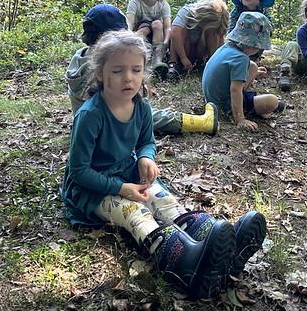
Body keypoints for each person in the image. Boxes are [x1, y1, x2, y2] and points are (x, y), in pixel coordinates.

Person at [61, 30, 267, 299]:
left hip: (127, 172)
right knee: (136, 213)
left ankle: (218, 247)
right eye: (118, 70)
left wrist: (146, 157)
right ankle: (183, 263)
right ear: (100, 73)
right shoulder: (90, 115)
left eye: (136, 70)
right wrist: (123, 188)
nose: (128, 78)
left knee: (165, 201)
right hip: (92, 189)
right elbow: (79, 172)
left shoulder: (142, 107)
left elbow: (146, 141)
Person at [66, 4, 218, 135]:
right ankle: (201, 123)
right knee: (149, 115)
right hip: (107, 123)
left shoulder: (79, 56)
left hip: (88, 120)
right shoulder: (103, 65)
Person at [202, 12, 284, 132]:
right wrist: (240, 119)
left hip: (211, 98)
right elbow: (235, 90)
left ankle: (257, 104)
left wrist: (254, 73)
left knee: (253, 66)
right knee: (273, 101)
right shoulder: (241, 59)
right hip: (224, 104)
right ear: (253, 45)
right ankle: (253, 108)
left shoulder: (226, 48)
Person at [168, 0, 229, 81]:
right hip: (183, 48)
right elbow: (174, 33)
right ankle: (173, 64)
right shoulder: (187, 11)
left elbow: (221, 40)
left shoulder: (215, 23)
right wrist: (183, 58)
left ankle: (211, 64)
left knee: (215, 33)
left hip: (199, 50)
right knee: (179, 30)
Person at [126, 0, 171, 75]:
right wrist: (128, 38)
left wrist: (166, 42)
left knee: (157, 24)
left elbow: (167, 26)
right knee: (146, 27)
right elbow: (129, 23)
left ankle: (157, 59)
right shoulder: (135, 2)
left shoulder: (163, 4)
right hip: (141, 34)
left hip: (157, 35)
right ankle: (141, 56)